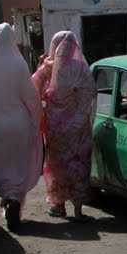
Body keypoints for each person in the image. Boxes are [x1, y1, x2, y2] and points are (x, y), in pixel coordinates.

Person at [0, 23, 43, 232]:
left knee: (2, 165)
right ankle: (14, 199)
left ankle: (8, 196)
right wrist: (36, 116)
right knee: (17, 165)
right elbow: (30, 96)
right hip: (18, 125)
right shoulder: (18, 63)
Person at [32, 30, 96, 221]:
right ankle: (78, 208)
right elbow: (91, 92)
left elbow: (34, 86)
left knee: (57, 164)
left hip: (56, 128)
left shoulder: (49, 68)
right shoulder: (81, 68)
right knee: (78, 164)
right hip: (78, 127)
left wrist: (46, 92)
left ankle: (59, 206)